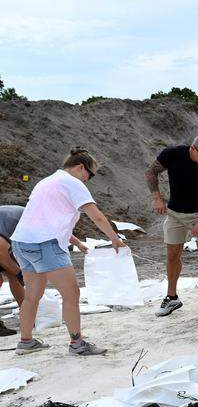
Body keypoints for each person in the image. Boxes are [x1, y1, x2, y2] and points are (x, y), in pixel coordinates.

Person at [10, 148, 125, 356]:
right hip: (45, 244)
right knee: (71, 294)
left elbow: (44, 218)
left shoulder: (46, 182)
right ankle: (77, 344)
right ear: (81, 168)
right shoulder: (73, 183)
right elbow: (95, 215)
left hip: (21, 242)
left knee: (32, 295)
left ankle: (25, 341)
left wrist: (77, 242)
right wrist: (114, 238)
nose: (88, 180)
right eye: (90, 175)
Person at [146, 134, 198, 316]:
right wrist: (157, 198)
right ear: (192, 149)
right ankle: (172, 297)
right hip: (175, 213)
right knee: (173, 254)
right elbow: (151, 172)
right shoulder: (173, 154)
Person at [0, 205, 26, 336]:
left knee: (13, 274)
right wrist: (20, 273)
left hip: (2, 245)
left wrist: (18, 272)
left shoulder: (26, 217)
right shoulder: (22, 219)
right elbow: (1, 253)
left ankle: (28, 314)